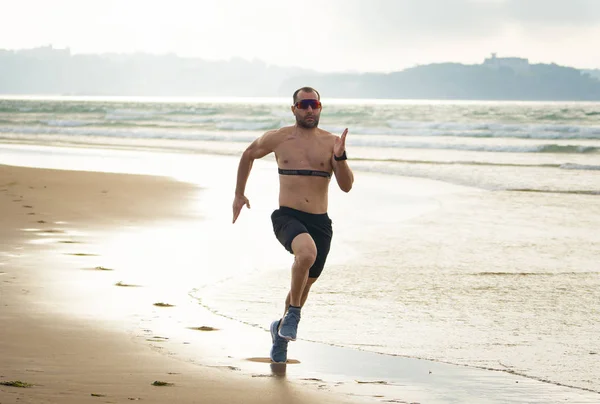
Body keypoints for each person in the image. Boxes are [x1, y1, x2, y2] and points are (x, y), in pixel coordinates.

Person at [232, 86, 354, 363]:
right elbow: (248, 154)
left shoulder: (332, 142)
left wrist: (340, 157)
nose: (309, 110)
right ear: (294, 109)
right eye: (304, 105)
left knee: (303, 285)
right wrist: (239, 194)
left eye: (314, 105)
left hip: (320, 222)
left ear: (320, 107)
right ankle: (294, 316)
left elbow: (346, 186)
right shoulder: (279, 138)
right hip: (287, 216)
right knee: (306, 255)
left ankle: (280, 333)